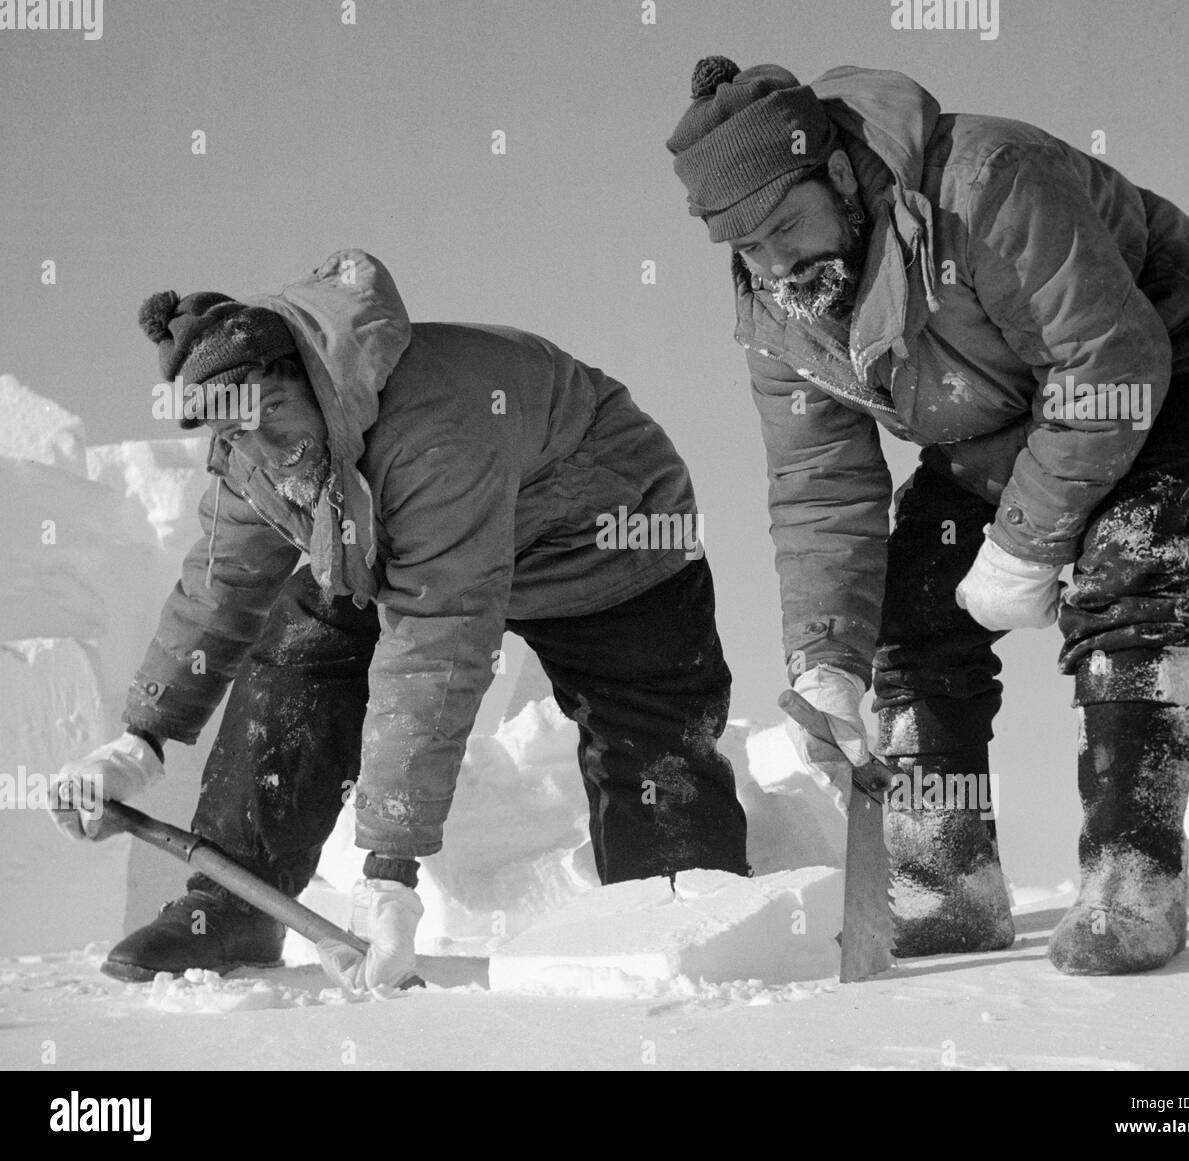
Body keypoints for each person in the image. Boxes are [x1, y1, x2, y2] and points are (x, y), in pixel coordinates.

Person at [666, 58, 1189, 974]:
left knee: (1123, 574)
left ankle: (1132, 884)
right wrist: (825, 657)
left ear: (834, 176)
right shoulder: (780, 313)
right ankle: (947, 890)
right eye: (750, 250)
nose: (779, 266)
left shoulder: (982, 185)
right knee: (914, 613)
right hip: (994, 410)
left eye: (788, 226)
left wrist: (1027, 544)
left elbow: (1109, 364)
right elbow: (821, 480)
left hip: (1157, 348)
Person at [51, 249, 748, 991]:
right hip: (408, 538)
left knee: (653, 753)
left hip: (603, 541)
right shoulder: (259, 449)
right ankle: (231, 904)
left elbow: (436, 641)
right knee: (298, 647)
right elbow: (220, 580)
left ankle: (688, 931)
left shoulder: (434, 432)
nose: (267, 447)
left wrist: (389, 869)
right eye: (238, 434)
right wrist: (141, 736)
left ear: (312, 379)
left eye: (275, 416)